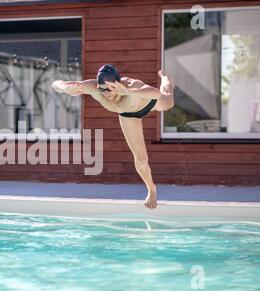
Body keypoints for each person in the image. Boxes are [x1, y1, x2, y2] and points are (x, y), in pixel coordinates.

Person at [52, 64, 175, 209]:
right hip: (128, 115)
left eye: (109, 89)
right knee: (140, 159)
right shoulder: (94, 87)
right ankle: (151, 189)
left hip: (148, 102)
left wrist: (129, 91)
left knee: (169, 101)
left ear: (117, 84)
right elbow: (56, 84)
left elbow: (155, 94)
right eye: (102, 89)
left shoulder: (130, 84)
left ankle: (166, 80)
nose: (105, 93)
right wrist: (66, 88)